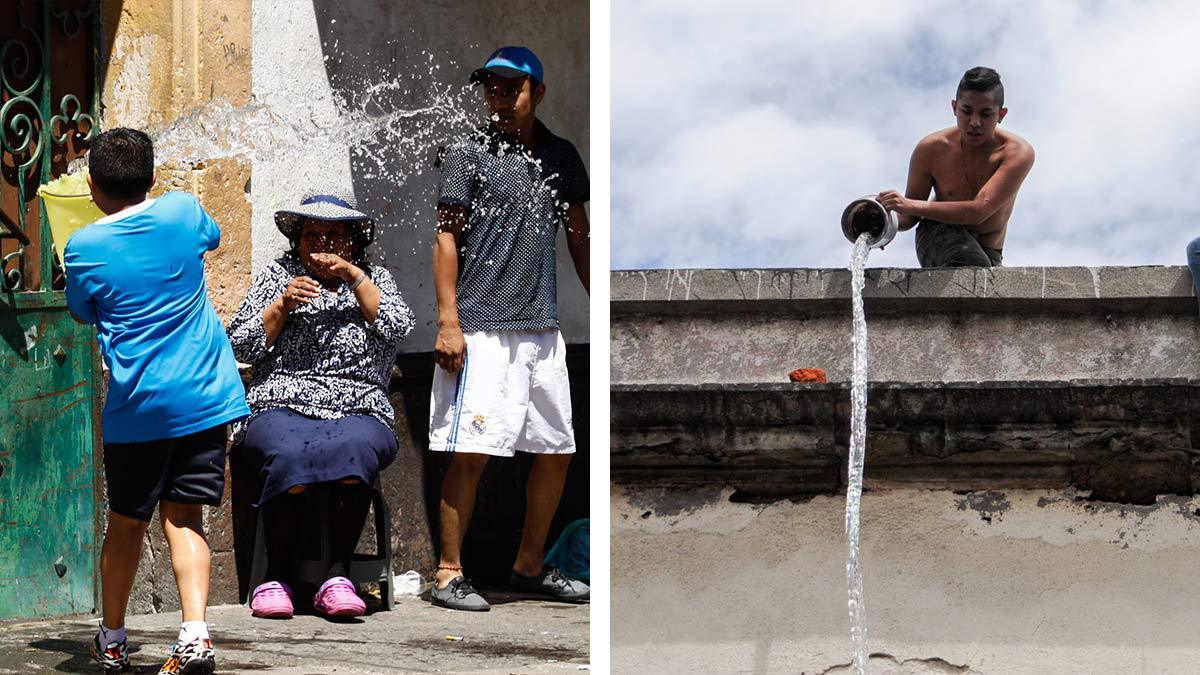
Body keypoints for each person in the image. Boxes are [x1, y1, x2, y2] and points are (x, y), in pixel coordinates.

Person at [65, 127, 249, 675]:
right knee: (185, 516)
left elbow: (81, 309)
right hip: (205, 397)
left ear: (93, 185)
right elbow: (212, 238)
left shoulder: (84, 247)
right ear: (151, 178)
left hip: (138, 407)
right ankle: (194, 635)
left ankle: (114, 640)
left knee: (125, 523)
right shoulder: (183, 212)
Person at [428, 45, 590, 611]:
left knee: (558, 451)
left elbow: (579, 237)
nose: (498, 98)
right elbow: (446, 238)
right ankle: (449, 573)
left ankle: (527, 565)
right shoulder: (469, 151)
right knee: (471, 452)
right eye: (490, 88)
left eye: (509, 88)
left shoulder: (562, 158)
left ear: (536, 92)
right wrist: (448, 321)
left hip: (542, 331)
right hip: (481, 328)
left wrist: (605, 308)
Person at [226, 187, 414, 619]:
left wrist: (354, 277)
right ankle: (277, 577)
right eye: (312, 236)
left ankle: (337, 575)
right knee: (288, 449)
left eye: (333, 237)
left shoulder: (374, 278)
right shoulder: (279, 277)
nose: (322, 247)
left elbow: (398, 325)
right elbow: (241, 342)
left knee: (354, 447)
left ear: (351, 242)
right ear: (298, 240)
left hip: (359, 403)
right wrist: (282, 305)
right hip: (282, 399)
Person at [877, 66, 1035, 268]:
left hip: (990, 255)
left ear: (1001, 114)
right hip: (939, 233)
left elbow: (980, 211)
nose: (975, 122)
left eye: (986, 114)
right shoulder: (931, 150)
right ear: (954, 107)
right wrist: (882, 222)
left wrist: (908, 204)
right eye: (966, 111)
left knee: (982, 277)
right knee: (971, 264)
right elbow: (909, 216)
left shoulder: (1016, 153)